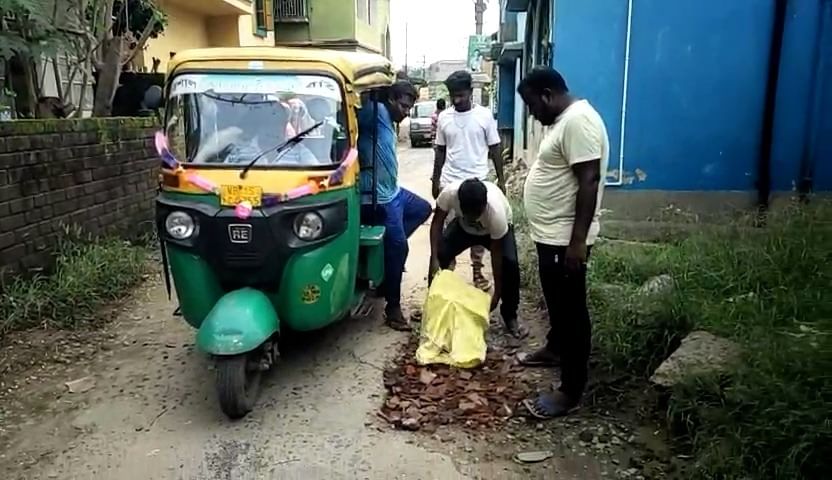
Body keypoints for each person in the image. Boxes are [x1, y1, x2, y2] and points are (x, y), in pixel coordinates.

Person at [515, 67, 609, 419]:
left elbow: (589, 180)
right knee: (558, 305)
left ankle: (571, 390)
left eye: (532, 105)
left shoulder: (578, 121)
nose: (532, 114)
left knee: (571, 312)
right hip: (552, 237)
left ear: (548, 95)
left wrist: (577, 243)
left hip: (565, 240)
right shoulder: (565, 122)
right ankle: (556, 350)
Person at [358, 81, 432, 331]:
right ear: (389, 99)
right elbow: (356, 110)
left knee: (422, 209)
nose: (406, 112)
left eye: (410, 107)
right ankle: (393, 308)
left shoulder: (388, 119)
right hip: (377, 198)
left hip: (394, 193)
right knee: (399, 247)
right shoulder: (376, 111)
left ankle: (384, 258)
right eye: (403, 105)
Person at [432, 70, 505, 292]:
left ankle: (477, 270)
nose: (457, 100)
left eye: (461, 95)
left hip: (478, 182)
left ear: (470, 91)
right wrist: (435, 181)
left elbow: (495, 149)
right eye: (453, 95)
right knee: (448, 235)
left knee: (478, 230)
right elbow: (440, 152)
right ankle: (447, 277)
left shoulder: (484, 116)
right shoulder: (445, 117)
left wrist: (501, 180)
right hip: (450, 183)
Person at [428, 178, 526, 338]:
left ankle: (510, 315)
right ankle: (435, 306)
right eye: (469, 214)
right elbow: (436, 224)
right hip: (463, 229)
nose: (474, 218)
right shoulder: (449, 194)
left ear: (484, 205)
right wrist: (434, 259)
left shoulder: (496, 214)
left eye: (477, 214)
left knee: (510, 264)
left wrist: (497, 293)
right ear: (460, 204)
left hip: (492, 234)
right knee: (441, 252)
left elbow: (496, 255)